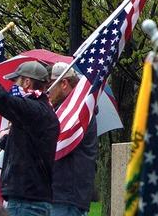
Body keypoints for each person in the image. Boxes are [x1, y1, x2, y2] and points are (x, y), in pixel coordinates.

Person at [0, 30, 59, 216]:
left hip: (26, 204)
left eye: (16, 82)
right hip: (33, 200)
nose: (13, 86)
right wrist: (5, 138)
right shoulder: (42, 112)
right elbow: (26, 145)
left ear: (28, 83)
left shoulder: (32, 110)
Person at [48, 63, 97, 216]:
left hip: (67, 195)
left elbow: (55, 140)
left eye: (50, 85)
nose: (46, 91)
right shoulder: (65, 110)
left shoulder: (77, 112)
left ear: (64, 83)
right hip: (62, 194)